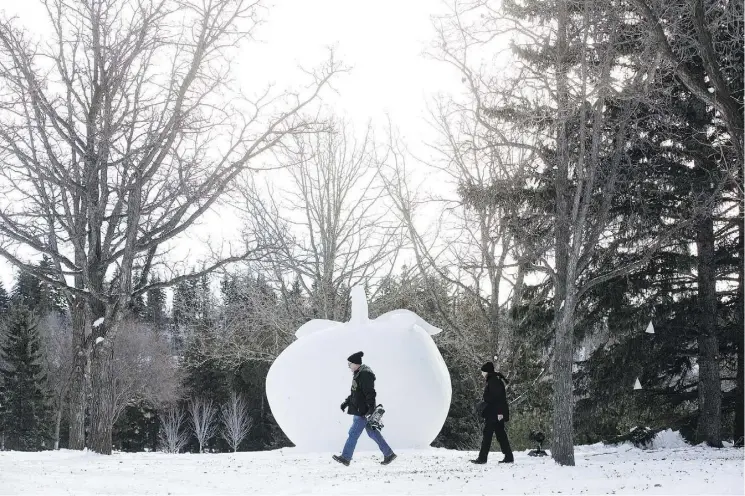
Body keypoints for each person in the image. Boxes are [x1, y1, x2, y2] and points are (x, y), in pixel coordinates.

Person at [332, 351, 397, 466]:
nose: (348, 366)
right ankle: (389, 454)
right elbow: (355, 393)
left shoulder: (365, 375)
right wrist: (346, 403)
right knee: (372, 433)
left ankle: (346, 458)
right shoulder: (358, 374)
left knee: (353, 433)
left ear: (356, 363)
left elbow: (370, 393)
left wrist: (371, 409)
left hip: (363, 411)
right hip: (361, 409)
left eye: (350, 364)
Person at [471, 361, 514, 464]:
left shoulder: (493, 381)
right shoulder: (494, 379)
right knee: (500, 435)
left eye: (483, 372)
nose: (482, 374)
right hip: (495, 413)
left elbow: (498, 399)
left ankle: (482, 458)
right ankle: (508, 456)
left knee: (488, 435)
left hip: (494, 414)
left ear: (487, 372)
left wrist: (499, 413)